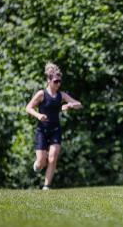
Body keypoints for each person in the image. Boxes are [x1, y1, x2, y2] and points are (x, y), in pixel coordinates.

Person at [26, 62, 82, 190]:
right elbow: (28, 108)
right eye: (56, 81)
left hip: (55, 130)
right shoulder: (41, 94)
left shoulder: (61, 95)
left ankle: (46, 186)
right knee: (41, 162)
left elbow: (79, 104)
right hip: (42, 130)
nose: (58, 84)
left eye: (59, 81)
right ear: (48, 80)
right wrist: (38, 115)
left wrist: (71, 105)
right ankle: (38, 164)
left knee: (53, 155)